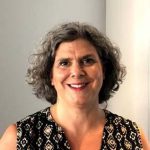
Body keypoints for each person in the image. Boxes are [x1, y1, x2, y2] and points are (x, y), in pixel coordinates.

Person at [0, 22, 149, 150]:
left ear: (104, 70)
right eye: (64, 63)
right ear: (50, 75)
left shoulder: (133, 137)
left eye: (87, 61)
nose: (76, 72)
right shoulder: (18, 138)